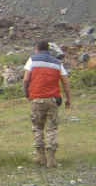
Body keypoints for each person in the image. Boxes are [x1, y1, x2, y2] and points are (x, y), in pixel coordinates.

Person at [23, 40, 72, 169]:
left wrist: (26, 92)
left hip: (37, 99)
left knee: (37, 127)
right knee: (52, 129)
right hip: (53, 100)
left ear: (37, 48)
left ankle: (41, 156)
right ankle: (51, 160)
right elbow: (65, 83)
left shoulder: (32, 60)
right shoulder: (57, 63)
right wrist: (68, 98)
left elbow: (26, 79)